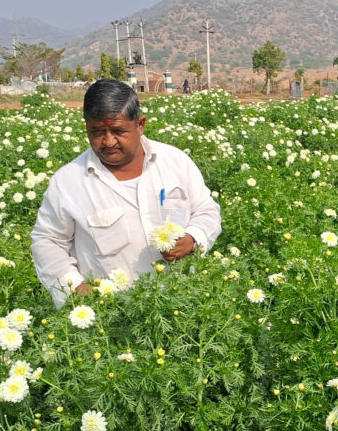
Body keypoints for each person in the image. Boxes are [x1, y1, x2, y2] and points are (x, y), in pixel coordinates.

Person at [31, 79, 222, 307]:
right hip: (113, 312)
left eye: (118, 131)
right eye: (97, 132)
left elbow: (206, 209)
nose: (108, 141)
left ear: (140, 125)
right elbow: (47, 240)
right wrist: (73, 285)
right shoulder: (69, 181)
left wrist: (193, 238)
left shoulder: (175, 162)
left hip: (181, 303)